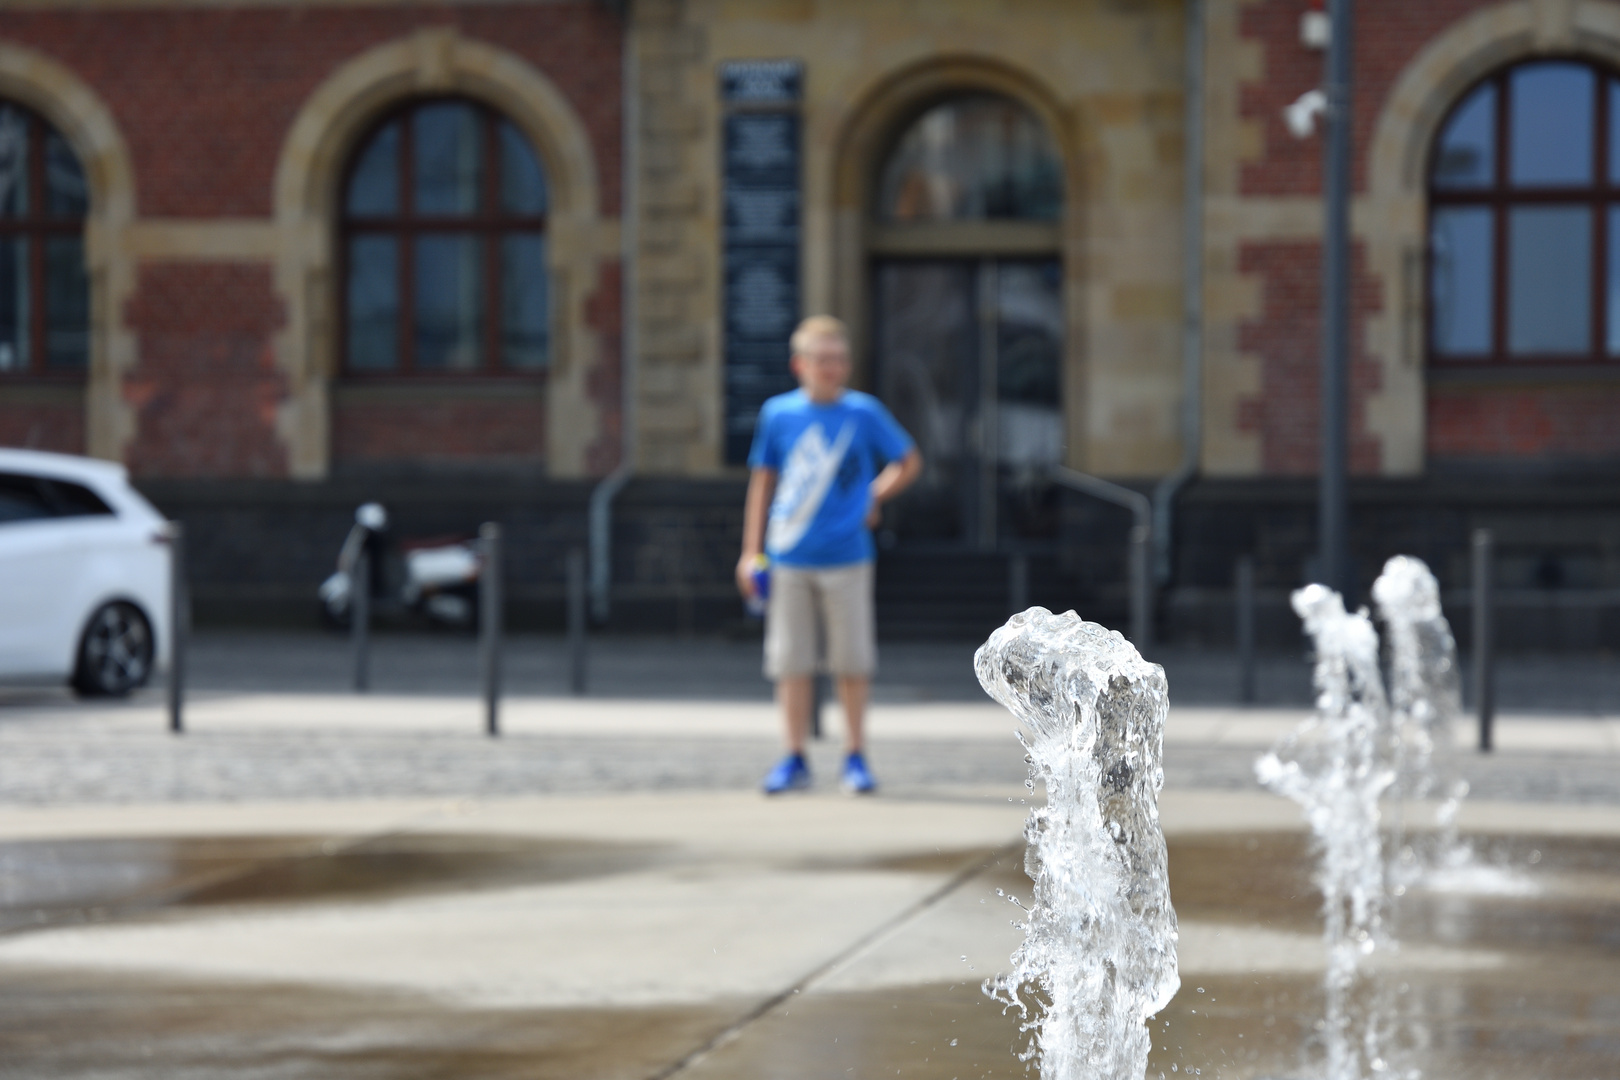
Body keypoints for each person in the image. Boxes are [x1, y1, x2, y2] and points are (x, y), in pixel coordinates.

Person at [736, 315, 923, 795]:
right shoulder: (778, 414)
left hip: (848, 557)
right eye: (822, 359)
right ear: (800, 364)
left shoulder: (864, 413)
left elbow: (908, 459)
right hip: (789, 557)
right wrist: (750, 551)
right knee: (791, 662)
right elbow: (762, 481)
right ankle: (794, 756)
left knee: (852, 661)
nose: (832, 368)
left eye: (840, 359)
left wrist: (875, 496)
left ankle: (855, 756)